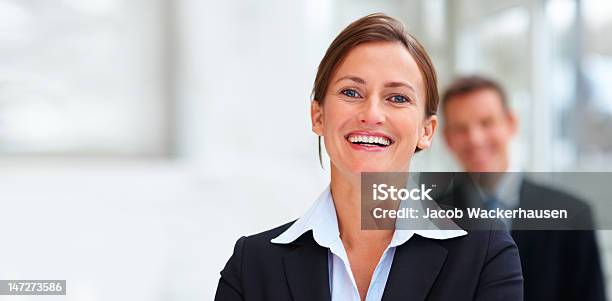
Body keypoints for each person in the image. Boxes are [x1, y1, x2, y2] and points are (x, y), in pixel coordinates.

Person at [215, 14, 523, 301]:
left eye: (397, 98)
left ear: (426, 131)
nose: (372, 114)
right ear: (318, 115)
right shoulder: (251, 266)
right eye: (351, 92)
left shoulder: (484, 255)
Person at [442, 75, 605, 301]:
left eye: (486, 123)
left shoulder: (572, 215)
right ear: (447, 138)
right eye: (460, 128)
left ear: (511, 123)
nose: (475, 139)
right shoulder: (429, 216)